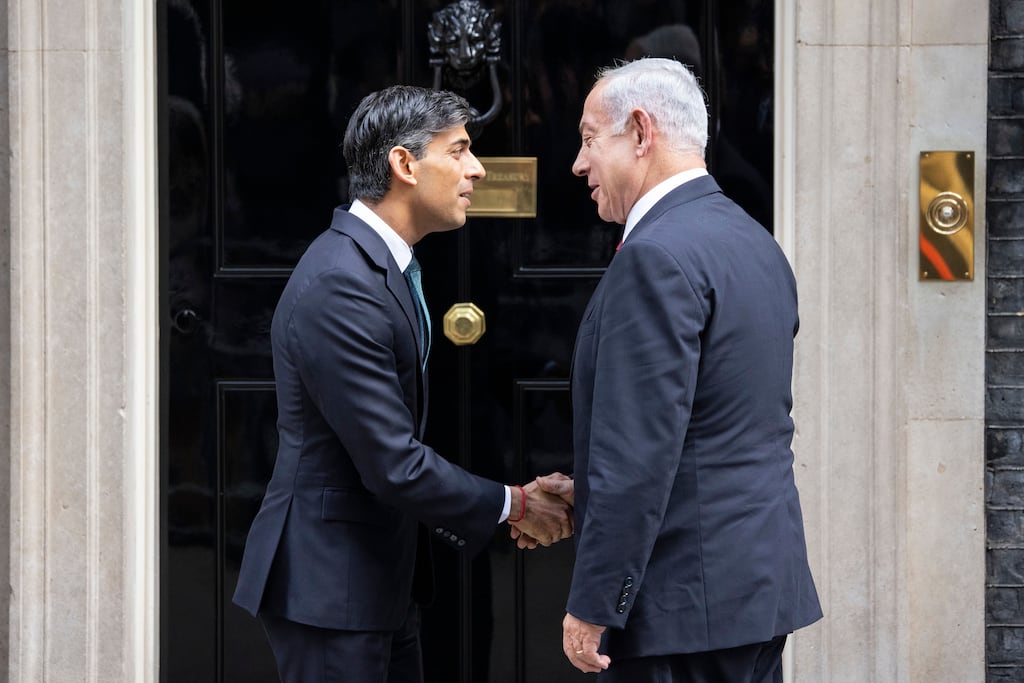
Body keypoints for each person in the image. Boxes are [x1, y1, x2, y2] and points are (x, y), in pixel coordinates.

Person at [232, 85, 573, 683]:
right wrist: (516, 503)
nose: (477, 169)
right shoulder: (342, 285)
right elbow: (392, 462)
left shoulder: (385, 266)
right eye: (460, 150)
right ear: (404, 164)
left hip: (376, 581)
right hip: (330, 588)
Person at [534, 57, 823, 680]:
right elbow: (714, 426)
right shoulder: (753, 241)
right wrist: (592, 496)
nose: (578, 164)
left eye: (588, 140)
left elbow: (639, 453)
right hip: (751, 591)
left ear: (641, 133)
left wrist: (595, 603)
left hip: (680, 607)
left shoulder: (655, 257)